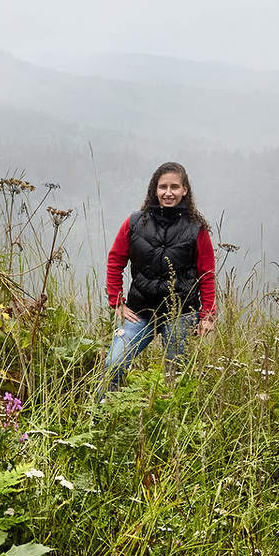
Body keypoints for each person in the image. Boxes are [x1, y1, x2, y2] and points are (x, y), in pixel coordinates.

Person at [101, 161, 217, 395]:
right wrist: (117, 302)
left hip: (181, 313)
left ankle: (171, 417)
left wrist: (207, 315)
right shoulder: (134, 222)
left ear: (185, 190)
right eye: (163, 187)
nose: (168, 192)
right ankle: (102, 413)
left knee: (175, 378)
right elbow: (115, 261)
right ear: (155, 189)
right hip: (140, 312)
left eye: (175, 187)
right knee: (114, 363)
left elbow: (207, 274)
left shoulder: (197, 228)